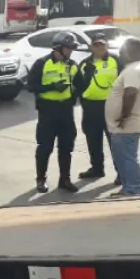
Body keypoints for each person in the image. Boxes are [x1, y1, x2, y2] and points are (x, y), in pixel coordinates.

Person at [26, 31, 85, 193]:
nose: (71, 50)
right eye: (69, 48)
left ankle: (64, 180)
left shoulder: (72, 65)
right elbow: (30, 86)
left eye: (73, 48)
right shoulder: (42, 63)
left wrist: (74, 96)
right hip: (48, 111)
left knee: (66, 147)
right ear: (58, 48)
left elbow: (81, 85)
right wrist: (52, 87)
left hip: (66, 111)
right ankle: (41, 180)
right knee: (45, 147)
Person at [105, 37, 140, 197]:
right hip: (122, 126)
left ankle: (132, 189)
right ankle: (128, 188)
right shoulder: (135, 68)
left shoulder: (133, 70)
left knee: (127, 159)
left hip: (126, 125)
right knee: (123, 159)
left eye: (122, 51)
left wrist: (123, 116)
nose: (120, 54)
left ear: (130, 53)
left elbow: (131, 93)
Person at [77, 33, 122, 184]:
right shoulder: (84, 64)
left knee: (115, 141)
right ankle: (97, 168)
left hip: (110, 106)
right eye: (96, 45)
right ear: (91, 47)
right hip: (91, 107)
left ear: (107, 45)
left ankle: (121, 173)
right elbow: (79, 86)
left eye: (102, 44)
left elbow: (124, 81)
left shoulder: (115, 60)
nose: (100, 47)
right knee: (93, 140)